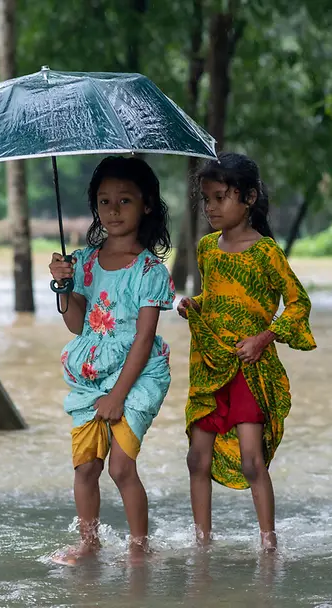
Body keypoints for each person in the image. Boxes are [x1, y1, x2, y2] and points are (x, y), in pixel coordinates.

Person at [178, 152, 316, 552]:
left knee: (252, 461)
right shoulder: (206, 248)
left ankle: (269, 545)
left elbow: (298, 303)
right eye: (206, 199)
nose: (211, 207)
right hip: (210, 364)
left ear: (249, 198)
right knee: (195, 460)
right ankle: (202, 544)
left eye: (221, 197)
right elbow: (218, 295)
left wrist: (263, 339)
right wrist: (195, 304)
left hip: (248, 369)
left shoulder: (266, 252)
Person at [48, 156, 175, 564]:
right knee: (86, 466)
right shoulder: (84, 261)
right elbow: (75, 325)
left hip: (137, 375)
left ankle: (140, 547)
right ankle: (89, 543)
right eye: (104, 202)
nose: (113, 211)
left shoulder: (150, 270)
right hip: (92, 371)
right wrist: (64, 285)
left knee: (120, 467)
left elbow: (144, 338)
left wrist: (119, 395)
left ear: (147, 205)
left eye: (125, 201)